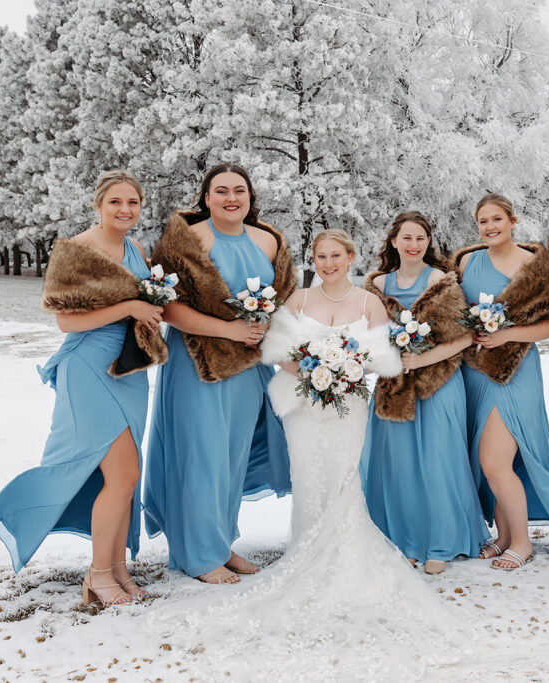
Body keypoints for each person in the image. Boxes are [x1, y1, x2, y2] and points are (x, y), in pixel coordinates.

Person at [150, 230, 476, 678]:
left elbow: (387, 359)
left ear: (350, 257)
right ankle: (306, 548)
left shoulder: (369, 303)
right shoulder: (299, 300)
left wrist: (348, 370)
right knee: (309, 475)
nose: (327, 263)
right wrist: (311, 367)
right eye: (320, 256)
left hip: (350, 406)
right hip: (303, 406)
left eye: (336, 256)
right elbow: (273, 350)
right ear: (314, 259)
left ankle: (344, 556)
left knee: (344, 477)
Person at [0, 170, 165, 605]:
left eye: (133, 203)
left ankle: (118, 568)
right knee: (121, 474)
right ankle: (98, 575)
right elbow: (66, 320)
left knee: (127, 475)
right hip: (89, 366)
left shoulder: (134, 247)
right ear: (98, 204)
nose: (126, 210)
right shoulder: (78, 249)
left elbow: (144, 305)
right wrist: (130, 305)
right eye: (116, 202)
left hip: (130, 371)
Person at [143, 163, 295, 584]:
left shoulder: (268, 240)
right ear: (206, 197)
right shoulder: (185, 241)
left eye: (239, 191)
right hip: (197, 363)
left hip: (247, 367)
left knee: (232, 456)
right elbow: (168, 307)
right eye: (221, 190)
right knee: (202, 455)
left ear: (250, 197)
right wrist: (229, 328)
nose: (231, 198)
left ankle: (221, 543)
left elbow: (280, 300)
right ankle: (199, 555)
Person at [454, 194, 549, 570]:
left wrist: (509, 335)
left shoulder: (533, 264)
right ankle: (504, 536)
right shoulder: (466, 261)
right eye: (483, 221)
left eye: (497, 219)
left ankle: (523, 542)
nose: (490, 227)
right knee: (491, 461)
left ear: (514, 220)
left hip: (515, 371)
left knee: (494, 461)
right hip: (475, 372)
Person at [360, 211, 487, 574]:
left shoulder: (441, 281)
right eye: (407, 237)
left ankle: (441, 542)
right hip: (394, 386)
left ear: (429, 242)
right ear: (394, 241)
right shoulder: (378, 286)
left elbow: (463, 337)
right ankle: (405, 539)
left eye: (421, 238)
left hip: (440, 383)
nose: (414, 245)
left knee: (438, 462)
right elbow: (369, 337)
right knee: (397, 463)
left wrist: (421, 360)